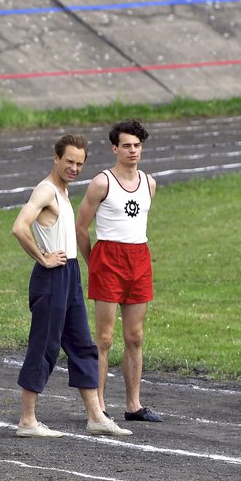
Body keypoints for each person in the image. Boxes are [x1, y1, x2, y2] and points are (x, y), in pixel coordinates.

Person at [12, 137, 133, 438]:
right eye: (69, 161)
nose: (74, 168)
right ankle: (27, 420)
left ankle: (95, 416)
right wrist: (43, 257)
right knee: (44, 346)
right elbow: (19, 226)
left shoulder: (64, 192)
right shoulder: (46, 190)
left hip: (70, 275)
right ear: (56, 158)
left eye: (80, 164)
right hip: (51, 277)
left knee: (82, 345)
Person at [76, 119, 161, 424]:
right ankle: (98, 405)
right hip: (109, 258)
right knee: (104, 338)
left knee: (135, 336)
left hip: (139, 258)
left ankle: (133, 404)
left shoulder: (149, 183)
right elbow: (81, 227)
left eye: (137, 145)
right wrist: (94, 263)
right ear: (115, 148)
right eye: (126, 145)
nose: (132, 150)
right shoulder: (102, 182)